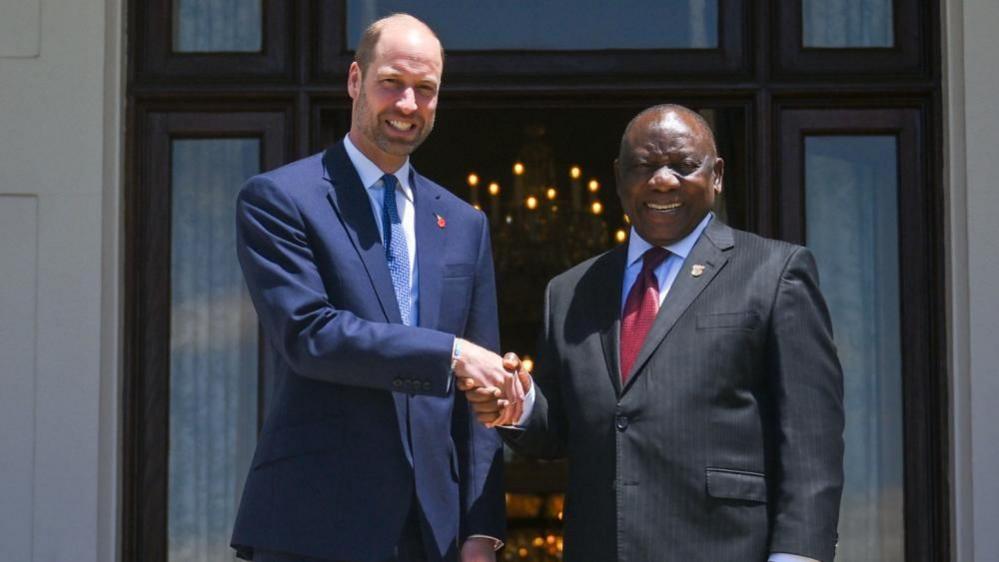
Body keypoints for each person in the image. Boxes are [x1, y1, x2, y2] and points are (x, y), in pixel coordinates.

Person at [463, 104, 845, 561]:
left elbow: (811, 439)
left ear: (717, 175)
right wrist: (518, 404)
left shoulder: (774, 272)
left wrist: (797, 555)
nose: (662, 180)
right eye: (644, 166)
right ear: (619, 177)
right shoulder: (569, 292)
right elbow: (560, 429)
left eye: (683, 166)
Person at [231, 14, 522, 562]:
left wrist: (482, 528)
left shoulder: (463, 224)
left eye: (426, 89)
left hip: (432, 531)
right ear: (354, 81)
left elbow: (482, 401)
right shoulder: (280, 199)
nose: (408, 105)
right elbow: (310, 335)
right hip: (316, 524)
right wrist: (452, 354)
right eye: (392, 82)